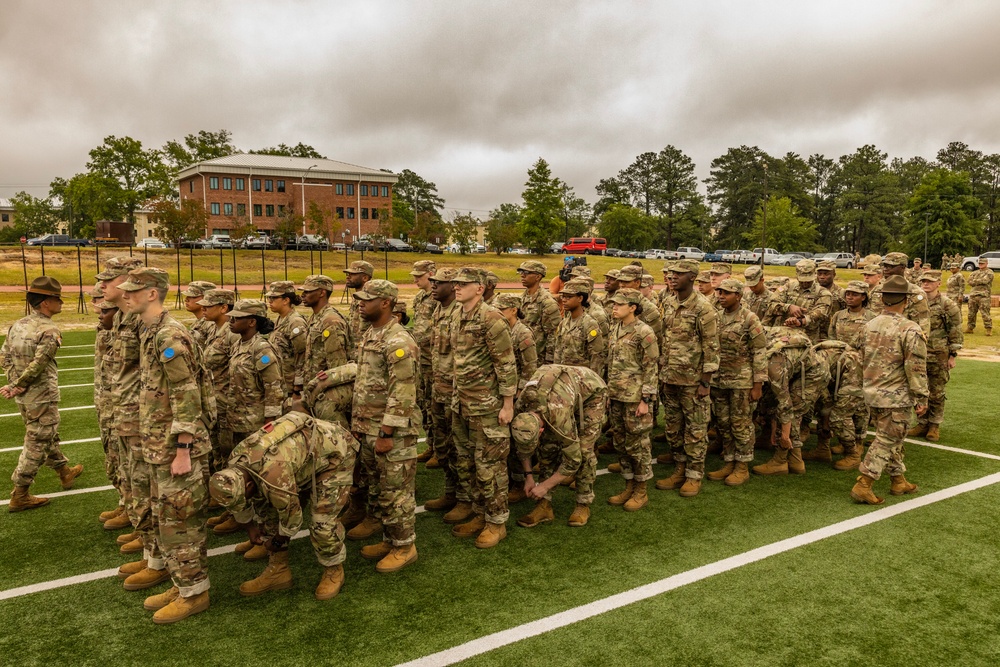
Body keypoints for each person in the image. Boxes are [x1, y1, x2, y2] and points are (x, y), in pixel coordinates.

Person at [119, 267, 215, 624]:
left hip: (178, 448)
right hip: (159, 444)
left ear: (152, 294)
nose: (126, 295)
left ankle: (195, 593)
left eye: (133, 291)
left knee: (181, 523)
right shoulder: (150, 331)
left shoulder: (169, 335)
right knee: (167, 520)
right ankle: (182, 583)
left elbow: (187, 394)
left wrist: (184, 449)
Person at [209, 411, 359, 600]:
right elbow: (242, 503)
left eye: (243, 497)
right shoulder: (236, 462)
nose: (244, 502)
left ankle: (334, 568)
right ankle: (278, 570)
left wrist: (277, 540)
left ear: (247, 484)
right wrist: (250, 527)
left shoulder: (273, 475)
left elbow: (293, 519)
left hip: (335, 455)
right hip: (301, 458)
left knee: (322, 522)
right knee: (266, 508)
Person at [348, 279, 421, 572]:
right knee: (380, 488)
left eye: (368, 299)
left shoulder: (398, 340)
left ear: (386, 303)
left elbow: (403, 390)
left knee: (396, 492)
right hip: (369, 426)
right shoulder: (371, 333)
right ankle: (390, 539)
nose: (360, 303)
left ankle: (405, 547)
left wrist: (386, 432)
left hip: (392, 432)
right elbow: (366, 382)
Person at [449, 267, 518, 548]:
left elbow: (506, 363)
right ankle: (480, 513)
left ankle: (497, 522)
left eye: (463, 284)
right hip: (463, 403)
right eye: (455, 283)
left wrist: (507, 404)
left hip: (488, 407)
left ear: (479, 288)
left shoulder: (492, 318)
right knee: (468, 464)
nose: (457, 287)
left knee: (490, 467)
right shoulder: (458, 314)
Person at [1, 277, 83, 512]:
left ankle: (64, 472)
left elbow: (3, 356)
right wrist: (19, 383)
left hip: (25, 397)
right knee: (37, 441)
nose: (61, 303)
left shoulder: (17, 324)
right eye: (57, 299)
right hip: (41, 395)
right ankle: (20, 493)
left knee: (45, 434)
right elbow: (39, 364)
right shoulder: (49, 329)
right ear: (46, 302)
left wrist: (16, 384)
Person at [851, 275, 928, 504]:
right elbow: (915, 367)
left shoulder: (869, 325)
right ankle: (864, 483)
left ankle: (898, 480)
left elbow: (859, 358)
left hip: (872, 393)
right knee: (888, 437)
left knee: (893, 437)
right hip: (896, 396)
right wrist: (921, 397)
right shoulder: (910, 329)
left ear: (883, 298)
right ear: (906, 300)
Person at [511, 365, 607, 528]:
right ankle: (544, 505)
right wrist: (528, 477)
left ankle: (583, 504)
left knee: (583, 451)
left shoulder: (558, 415)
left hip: (591, 392)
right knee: (547, 449)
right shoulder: (520, 408)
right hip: (561, 392)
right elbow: (523, 448)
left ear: (541, 430)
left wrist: (544, 486)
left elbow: (573, 460)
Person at [656, 260, 719, 497]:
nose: (672, 277)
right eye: (671, 274)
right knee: (673, 427)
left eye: (679, 274)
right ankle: (679, 468)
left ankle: (694, 474)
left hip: (693, 381)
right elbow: (665, 339)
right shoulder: (669, 302)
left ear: (692, 277)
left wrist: (705, 382)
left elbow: (712, 347)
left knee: (695, 429)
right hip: (670, 377)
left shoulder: (704, 308)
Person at [97, 256, 147, 550]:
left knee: (144, 478)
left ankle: (149, 538)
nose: (101, 285)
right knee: (128, 471)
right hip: (122, 410)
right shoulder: (121, 318)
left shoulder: (141, 320)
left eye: (108, 279)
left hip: (141, 416)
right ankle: (134, 515)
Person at [706, 278, 766, 487]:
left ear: (739, 296)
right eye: (719, 293)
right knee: (723, 422)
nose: (721, 297)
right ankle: (729, 460)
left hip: (742, 380)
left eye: (726, 293)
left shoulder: (750, 319)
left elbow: (759, 351)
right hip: (720, 379)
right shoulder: (716, 317)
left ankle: (742, 465)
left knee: (741, 423)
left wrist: (758, 384)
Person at [605, 288, 659, 510]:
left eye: (619, 304)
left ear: (633, 307)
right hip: (617, 395)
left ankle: (641, 490)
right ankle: (629, 484)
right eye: (613, 304)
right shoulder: (615, 328)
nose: (614, 307)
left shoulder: (644, 332)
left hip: (635, 398)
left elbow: (651, 366)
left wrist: (646, 399)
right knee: (621, 443)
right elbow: (612, 364)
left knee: (639, 445)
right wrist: (609, 394)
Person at [752, 327, 830, 476]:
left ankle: (780, 461)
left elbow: (785, 403)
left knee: (793, 410)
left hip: (814, 374)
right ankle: (796, 461)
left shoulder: (772, 363)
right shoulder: (764, 332)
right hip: (803, 368)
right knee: (783, 407)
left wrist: (784, 436)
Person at [425, 268, 465, 514]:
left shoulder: (461, 313)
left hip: (456, 392)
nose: (433, 286)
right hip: (438, 389)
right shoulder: (438, 310)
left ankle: (465, 499)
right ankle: (451, 491)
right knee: (443, 446)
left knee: (460, 447)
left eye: (438, 282)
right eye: (432, 282)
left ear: (452, 286)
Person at [493, 292, 537, 503]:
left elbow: (530, 368)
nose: (498, 314)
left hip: (518, 395)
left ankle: (520, 482)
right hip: (503, 392)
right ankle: (511, 479)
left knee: (517, 440)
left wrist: (519, 394)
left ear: (514, 310)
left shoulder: (522, 333)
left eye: (501, 310)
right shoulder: (500, 330)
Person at [908, 271, 962, 442]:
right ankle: (922, 423)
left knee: (937, 392)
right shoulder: (914, 303)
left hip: (938, 355)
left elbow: (955, 330)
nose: (926, 284)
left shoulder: (947, 305)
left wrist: (952, 355)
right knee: (919, 390)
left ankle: (934, 425)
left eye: (930, 281)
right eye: (923, 281)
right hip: (917, 353)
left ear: (938, 283)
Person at [226, 299, 283, 445]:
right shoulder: (238, 344)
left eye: (237, 318)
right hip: (238, 421)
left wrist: (269, 424)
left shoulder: (261, 349)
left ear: (252, 322)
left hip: (256, 424)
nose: (231, 321)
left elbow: (273, 387)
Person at [95, 298, 127, 524]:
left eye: (105, 309)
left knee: (130, 465)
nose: (99, 311)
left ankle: (134, 513)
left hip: (127, 410)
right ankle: (126, 503)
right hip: (110, 404)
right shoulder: (107, 331)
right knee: (114, 459)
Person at [297, 275, 350, 396]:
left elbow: (338, 367)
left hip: (326, 394)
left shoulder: (330, 321)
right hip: (315, 389)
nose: (303, 295)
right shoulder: (316, 318)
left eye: (308, 291)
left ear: (322, 293)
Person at [409, 261, 437, 464]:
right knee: (423, 402)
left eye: (419, 275)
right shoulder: (420, 298)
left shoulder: (439, 297)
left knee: (434, 403)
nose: (415, 279)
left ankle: (440, 449)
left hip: (434, 357)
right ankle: (431, 444)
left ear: (431, 274)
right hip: (420, 357)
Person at [770, 259, 833, 343]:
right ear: (797, 276)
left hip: (807, 339)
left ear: (814, 275)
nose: (805, 283)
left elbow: (820, 314)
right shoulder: (788, 287)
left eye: (808, 280)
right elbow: (771, 304)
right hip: (783, 336)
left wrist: (800, 321)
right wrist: (788, 307)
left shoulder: (823, 293)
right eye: (802, 280)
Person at [869, 253, 931, 336]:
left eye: (890, 266)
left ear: (902, 268)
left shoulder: (915, 293)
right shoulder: (877, 291)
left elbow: (923, 327)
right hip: (876, 341)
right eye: (884, 266)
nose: (885, 269)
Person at [553, 278, 605, 375]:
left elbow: (596, 357)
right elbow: (558, 353)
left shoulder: (589, 324)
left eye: (569, 297)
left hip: (583, 379)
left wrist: (593, 382)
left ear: (580, 298)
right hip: (565, 378)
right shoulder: (563, 323)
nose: (564, 300)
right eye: (563, 296)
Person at [266, 281, 307, 397]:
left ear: (286, 300)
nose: (270, 301)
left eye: (274, 298)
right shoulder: (280, 320)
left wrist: (298, 387)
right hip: (281, 382)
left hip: (290, 385)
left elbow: (302, 356)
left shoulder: (295, 322)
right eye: (269, 298)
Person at [518, 260, 561, 364]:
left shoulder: (547, 302)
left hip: (539, 359)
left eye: (527, 273)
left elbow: (553, 334)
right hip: (523, 355)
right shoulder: (521, 298)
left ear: (538, 277)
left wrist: (549, 361)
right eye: (521, 273)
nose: (522, 276)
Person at [344, 260, 375, 356]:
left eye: (352, 274)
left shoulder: (371, 300)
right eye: (348, 274)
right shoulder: (356, 298)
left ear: (365, 278)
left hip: (367, 353)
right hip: (355, 352)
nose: (348, 277)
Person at [181, 281, 218, 350]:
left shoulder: (212, 325)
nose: (186, 299)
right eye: (187, 296)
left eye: (193, 296)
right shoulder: (198, 323)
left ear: (206, 298)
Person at [965, 256, 993, 335]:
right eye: (980, 263)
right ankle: (970, 328)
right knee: (971, 313)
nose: (981, 265)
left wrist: (975, 281)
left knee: (985, 313)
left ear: (986, 263)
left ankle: (988, 328)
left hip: (983, 295)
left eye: (982, 263)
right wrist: (977, 281)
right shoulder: (975, 272)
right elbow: (969, 281)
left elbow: (985, 281)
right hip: (973, 295)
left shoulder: (989, 272)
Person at [816, 260, 846, 328]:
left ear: (834, 275)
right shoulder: (812, 291)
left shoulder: (841, 293)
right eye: (819, 274)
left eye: (826, 274)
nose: (822, 277)